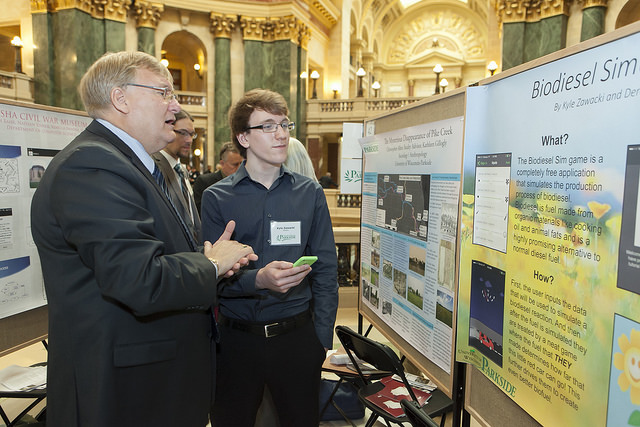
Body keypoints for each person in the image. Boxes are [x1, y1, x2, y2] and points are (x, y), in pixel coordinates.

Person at [30, 51, 257, 427]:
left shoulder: (134, 165)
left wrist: (215, 261)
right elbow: (139, 279)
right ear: (121, 99)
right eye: (164, 92)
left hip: (155, 381)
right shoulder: (93, 165)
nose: (176, 104)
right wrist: (211, 262)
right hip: (126, 391)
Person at [201, 88, 338, 427]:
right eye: (267, 126)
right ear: (243, 137)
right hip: (236, 342)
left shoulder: (310, 194)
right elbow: (208, 274)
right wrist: (257, 279)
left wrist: (321, 340)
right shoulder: (217, 198)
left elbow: (326, 271)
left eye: (284, 124)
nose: (281, 134)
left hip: (296, 339)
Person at [152, 108, 200, 242]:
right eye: (183, 133)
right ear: (167, 129)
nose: (189, 140)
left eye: (192, 134)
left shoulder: (181, 170)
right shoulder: (153, 168)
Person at [193, 141, 243, 214]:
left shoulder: (246, 183)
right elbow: (200, 213)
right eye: (235, 165)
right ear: (222, 163)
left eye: (241, 164)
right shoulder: (205, 182)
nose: (239, 168)